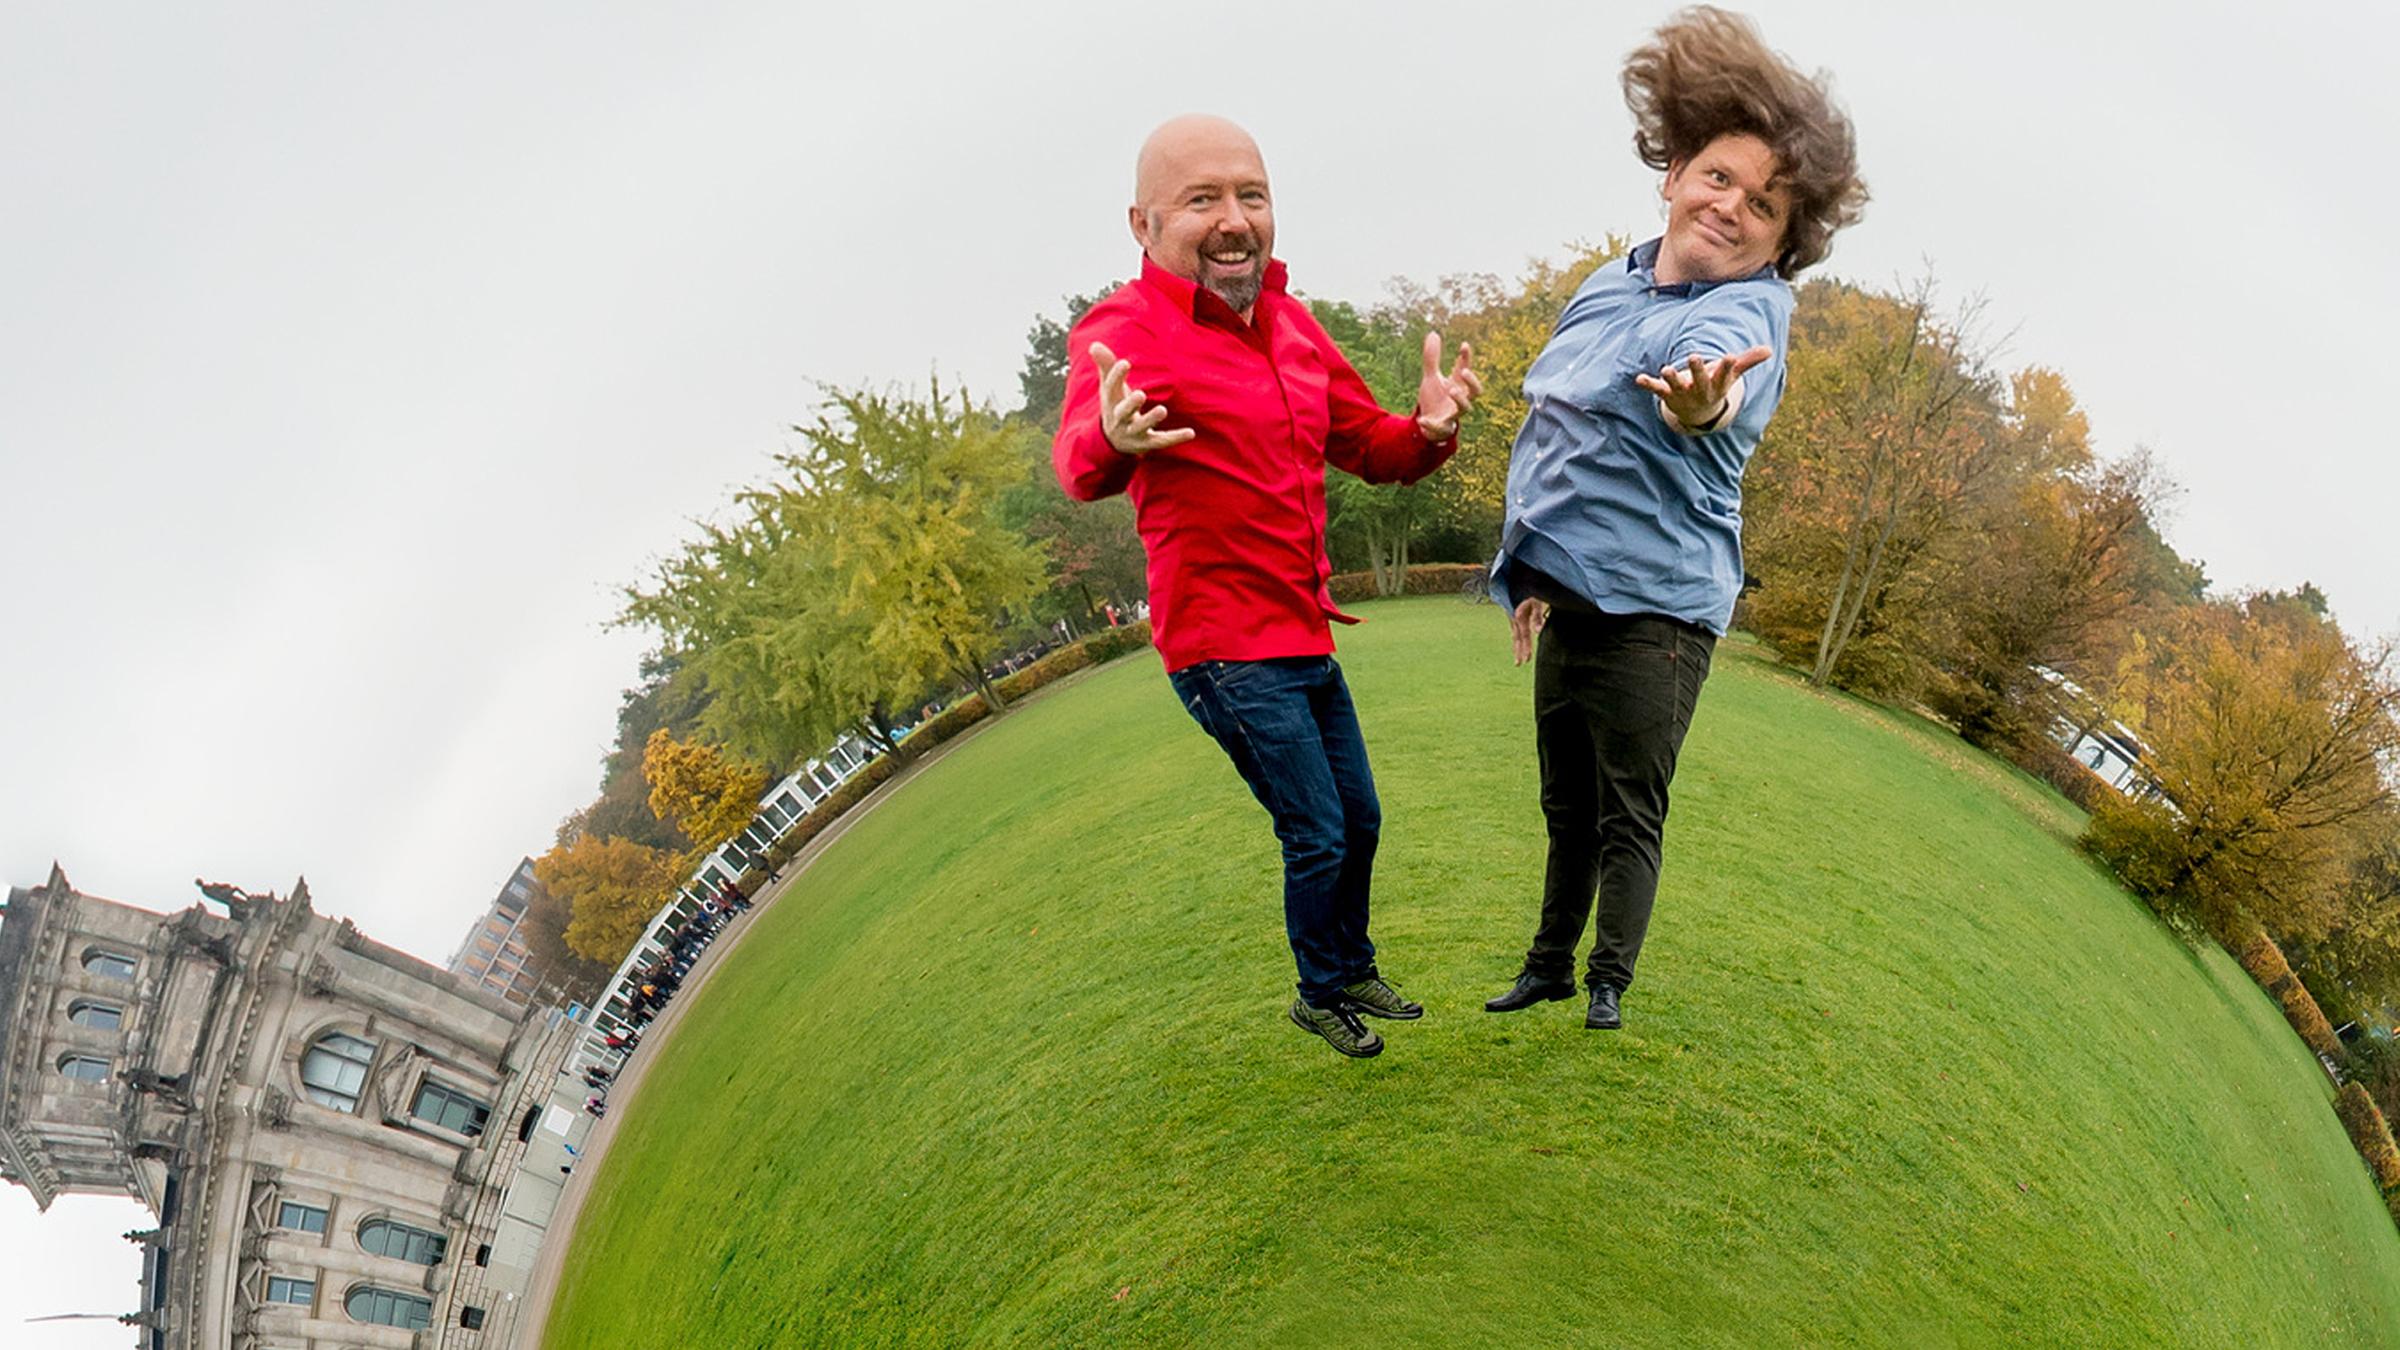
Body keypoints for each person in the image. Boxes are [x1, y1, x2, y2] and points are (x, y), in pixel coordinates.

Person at [1054, 114, 1482, 1059]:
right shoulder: (1123, 332)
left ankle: (1352, 964)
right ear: (1143, 223)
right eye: (1201, 199)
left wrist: (1432, 427)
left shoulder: (1290, 325)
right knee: (1318, 832)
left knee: (1359, 819)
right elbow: (1078, 463)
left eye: (1250, 194)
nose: (1233, 218)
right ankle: (1318, 992)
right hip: (1220, 645)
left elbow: (1369, 443)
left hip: (1302, 630)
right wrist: (1110, 439)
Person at [1482, 6, 1866, 1031]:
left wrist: (1705, 401)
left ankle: (1609, 983)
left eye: (1766, 208)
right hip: (1571, 596)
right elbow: (1553, 441)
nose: (1734, 207)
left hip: (1659, 613)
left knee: (1627, 814)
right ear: (1673, 172)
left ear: (1784, 243)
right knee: (1566, 806)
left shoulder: (1750, 319)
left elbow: (1717, 391)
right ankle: (1548, 965)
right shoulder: (1605, 286)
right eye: (1720, 177)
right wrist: (1528, 574)